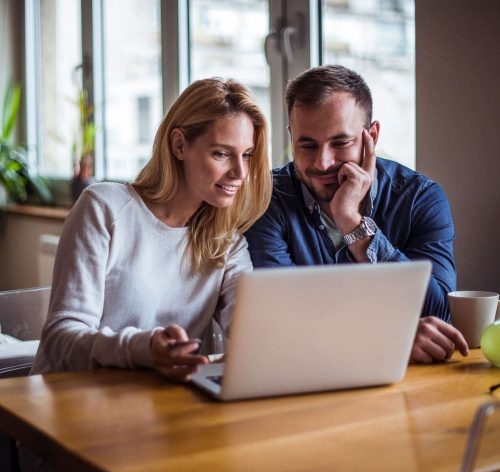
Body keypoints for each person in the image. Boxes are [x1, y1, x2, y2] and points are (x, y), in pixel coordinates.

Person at [31, 78, 272, 381]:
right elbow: (60, 340)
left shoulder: (228, 243)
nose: (240, 172)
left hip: (156, 405)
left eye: (247, 155)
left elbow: (250, 330)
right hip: (70, 401)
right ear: (179, 144)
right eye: (222, 154)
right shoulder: (105, 208)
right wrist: (144, 348)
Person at [245, 65, 469, 364]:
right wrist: (391, 336)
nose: (323, 163)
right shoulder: (267, 198)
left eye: (340, 143)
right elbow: (279, 319)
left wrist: (352, 221)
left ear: (371, 136)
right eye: (307, 145)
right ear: (291, 136)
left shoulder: (420, 198)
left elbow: (440, 315)